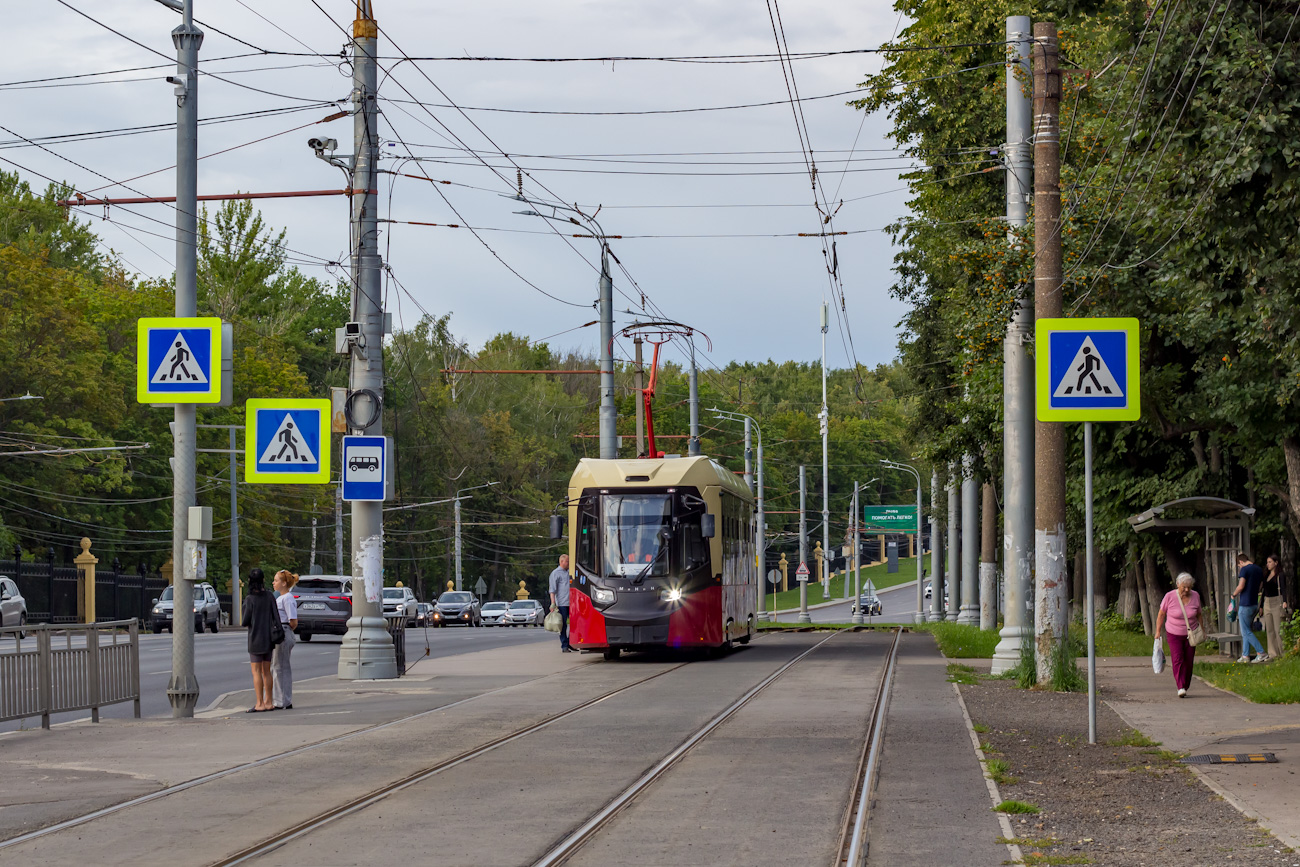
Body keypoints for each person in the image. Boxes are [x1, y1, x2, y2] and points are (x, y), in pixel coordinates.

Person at [1155, 573, 1203, 698]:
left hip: (1191, 634)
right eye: (1184, 587)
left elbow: (1199, 614)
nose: (1187, 590)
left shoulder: (1195, 596)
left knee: (1189, 661)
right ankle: (1180, 686)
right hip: (1174, 633)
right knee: (1178, 659)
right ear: (1177, 585)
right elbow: (1161, 614)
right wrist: (1158, 631)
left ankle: (1185, 685)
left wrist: (1202, 629)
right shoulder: (1169, 596)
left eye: (1189, 587)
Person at [240, 568, 277, 712]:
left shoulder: (250, 599)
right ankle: (269, 702)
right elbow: (276, 616)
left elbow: (245, 621)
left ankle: (259, 703)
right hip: (269, 638)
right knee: (266, 671)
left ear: (250, 581)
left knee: (256, 671)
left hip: (255, 638)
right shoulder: (269, 596)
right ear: (263, 580)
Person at [271, 570, 299, 710]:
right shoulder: (281, 598)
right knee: (279, 667)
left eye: (276, 580)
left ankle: (281, 701)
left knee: (280, 668)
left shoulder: (287, 598)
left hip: (283, 632)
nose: (273, 583)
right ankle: (283, 700)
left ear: (284, 583)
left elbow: (293, 621)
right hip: (282, 631)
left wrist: (286, 631)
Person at [1233, 553, 1267, 663]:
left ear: (1240, 562)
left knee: (1246, 631)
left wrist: (1234, 594)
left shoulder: (1245, 569)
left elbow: (1241, 586)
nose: (1239, 567)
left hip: (1245, 603)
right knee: (1246, 630)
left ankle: (1261, 652)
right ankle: (1245, 655)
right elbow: (1261, 585)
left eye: (1239, 566)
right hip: (1254, 603)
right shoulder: (1258, 569)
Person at [1261, 555, 1289, 662]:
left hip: (1277, 601)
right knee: (1270, 629)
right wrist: (1261, 606)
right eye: (1267, 562)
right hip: (1267, 602)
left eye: (1270, 562)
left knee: (1279, 629)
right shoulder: (1266, 575)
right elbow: (1264, 591)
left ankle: (1283, 652)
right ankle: (1273, 653)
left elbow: (1283, 588)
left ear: (1276, 563)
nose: (1268, 564)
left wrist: (1285, 601)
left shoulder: (1280, 575)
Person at [549, 553, 572, 653]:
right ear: (562, 561)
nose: (569, 563)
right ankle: (564, 645)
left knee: (574, 624)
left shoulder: (570, 572)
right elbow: (552, 590)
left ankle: (571, 642)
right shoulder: (555, 573)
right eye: (567, 561)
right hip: (561, 603)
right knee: (563, 625)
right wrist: (553, 603)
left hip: (572, 603)